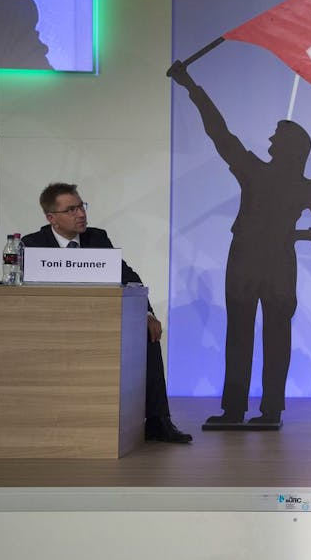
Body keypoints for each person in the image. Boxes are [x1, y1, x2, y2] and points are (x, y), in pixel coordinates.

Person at [168, 60, 311, 427]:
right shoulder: (301, 186)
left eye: (276, 137)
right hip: (274, 261)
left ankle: (238, 410)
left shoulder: (256, 173)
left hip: (249, 259)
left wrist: (191, 86)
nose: (270, 141)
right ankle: (267, 411)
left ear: (290, 148)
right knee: (268, 336)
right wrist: (297, 235)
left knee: (243, 334)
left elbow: (219, 133)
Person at [22, 183, 192, 443]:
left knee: (148, 336)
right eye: (71, 210)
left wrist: (147, 314)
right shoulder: (32, 244)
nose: (81, 214)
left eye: (81, 206)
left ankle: (158, 421)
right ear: (51, 218)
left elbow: (129, 276)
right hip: (53, 326)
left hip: (99, 321)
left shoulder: (97, 238)